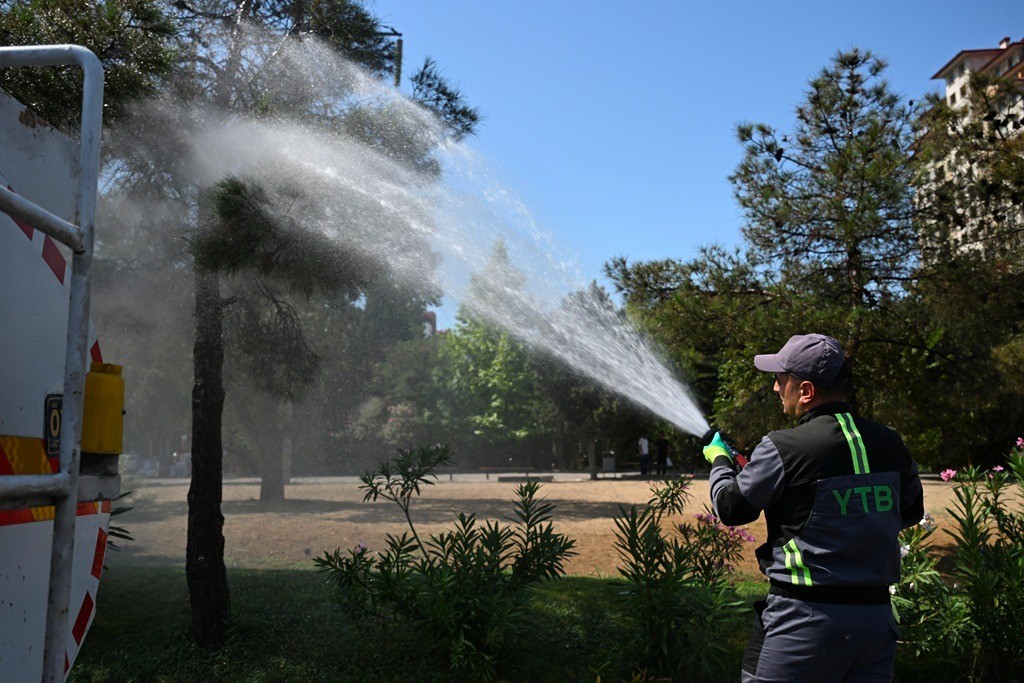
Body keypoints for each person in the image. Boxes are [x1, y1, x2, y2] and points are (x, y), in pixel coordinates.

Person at [702, 333, 924, 682]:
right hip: (875, 625)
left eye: (780, 380)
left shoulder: (783, 447)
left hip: (803, 623)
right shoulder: (890, 443)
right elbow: (909, 512)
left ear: (805, 391)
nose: (776, 389)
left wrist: (718, 461)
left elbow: (731, 508)